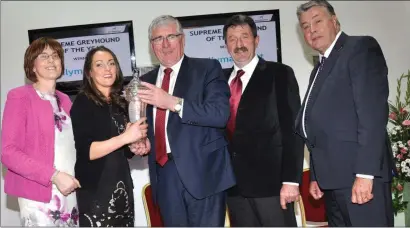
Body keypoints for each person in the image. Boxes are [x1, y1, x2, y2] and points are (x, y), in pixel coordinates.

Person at [295, 0, 394, 226]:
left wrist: (365, 174)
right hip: (334, 183)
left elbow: (372, 115)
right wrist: (318, 177)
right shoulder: (319, 69)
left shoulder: (359, 48)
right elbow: (318, 127)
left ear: (334, 20)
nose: (312, 30)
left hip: (359, 179)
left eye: (317, 21)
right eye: (305, 26)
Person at [137, 15, 236, 226]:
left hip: (203, 173)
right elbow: (147, 127)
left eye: (171, 36)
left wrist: (172, 102)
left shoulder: (207, 69)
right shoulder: (145, 82)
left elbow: (219, 115)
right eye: (158, 39)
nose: (165, 44)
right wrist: (142, 141)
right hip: (164, 176)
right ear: (151, 45)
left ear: (182, 39)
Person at [222, 14, 304, 227]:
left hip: (272, 187)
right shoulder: (219, 81)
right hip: (233, 188)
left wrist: (291, 181)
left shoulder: (280, 74)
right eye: (232, 39)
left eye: (244, 37)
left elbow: (293, 131)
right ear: (225, 45)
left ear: (256, 40)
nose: (239, 44)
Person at [1, 37, 80, 226]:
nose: (51, 60)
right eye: (44, 56)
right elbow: (8, 152)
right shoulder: (19, 96)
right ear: (33, 66)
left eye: (55, 56)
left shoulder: (66, 100)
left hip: (70, 192)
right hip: (40, 195)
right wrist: (53, 176)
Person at [70, 46, 149, 227]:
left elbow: (125, 151)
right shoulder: (83, 102)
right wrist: (125, 138)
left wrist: (137, 146)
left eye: (111, 63)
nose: (107, 69)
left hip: (122, 189)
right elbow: (86, 151)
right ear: (90, 73)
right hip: (97, 192)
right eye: (100, 65)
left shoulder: (120, 103)